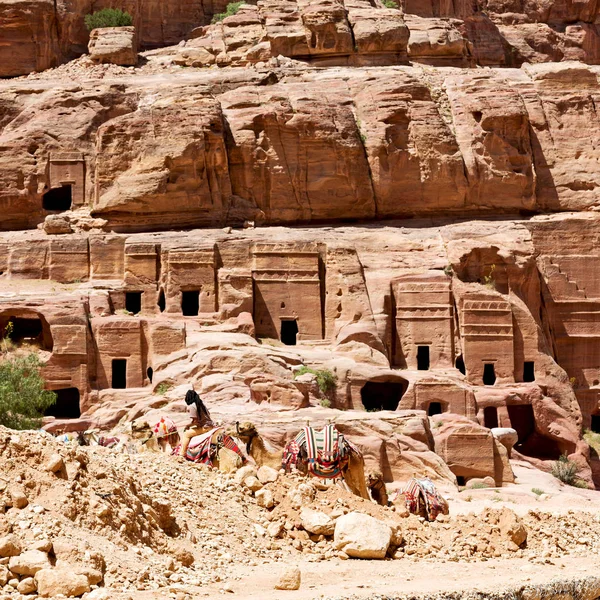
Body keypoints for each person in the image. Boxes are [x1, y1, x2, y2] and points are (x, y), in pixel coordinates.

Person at [179, 385, 215, 457]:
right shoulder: (201, 404)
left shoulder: (192, 406)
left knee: (186, 434)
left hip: (205, 428)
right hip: (210, 426)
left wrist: (188, 426)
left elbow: (195, 421)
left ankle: (182, 454)